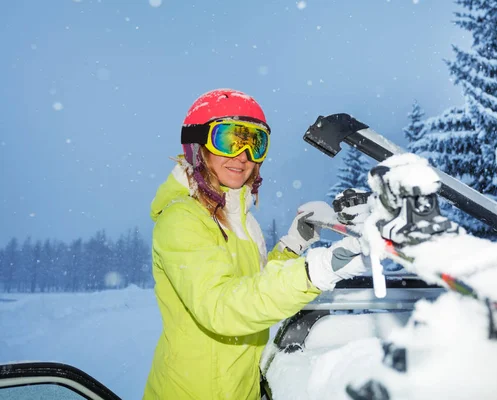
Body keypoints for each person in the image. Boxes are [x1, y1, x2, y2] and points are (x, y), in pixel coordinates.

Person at [143, 88, 367, 399]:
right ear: (197, 145)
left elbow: (251, 287)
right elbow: (222, 307)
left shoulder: (238, 215)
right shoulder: (182, 219)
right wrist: (316, 271)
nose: (243, 156)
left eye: (255, 143)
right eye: (229, 140)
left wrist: (293, 244)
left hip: (240, 389)